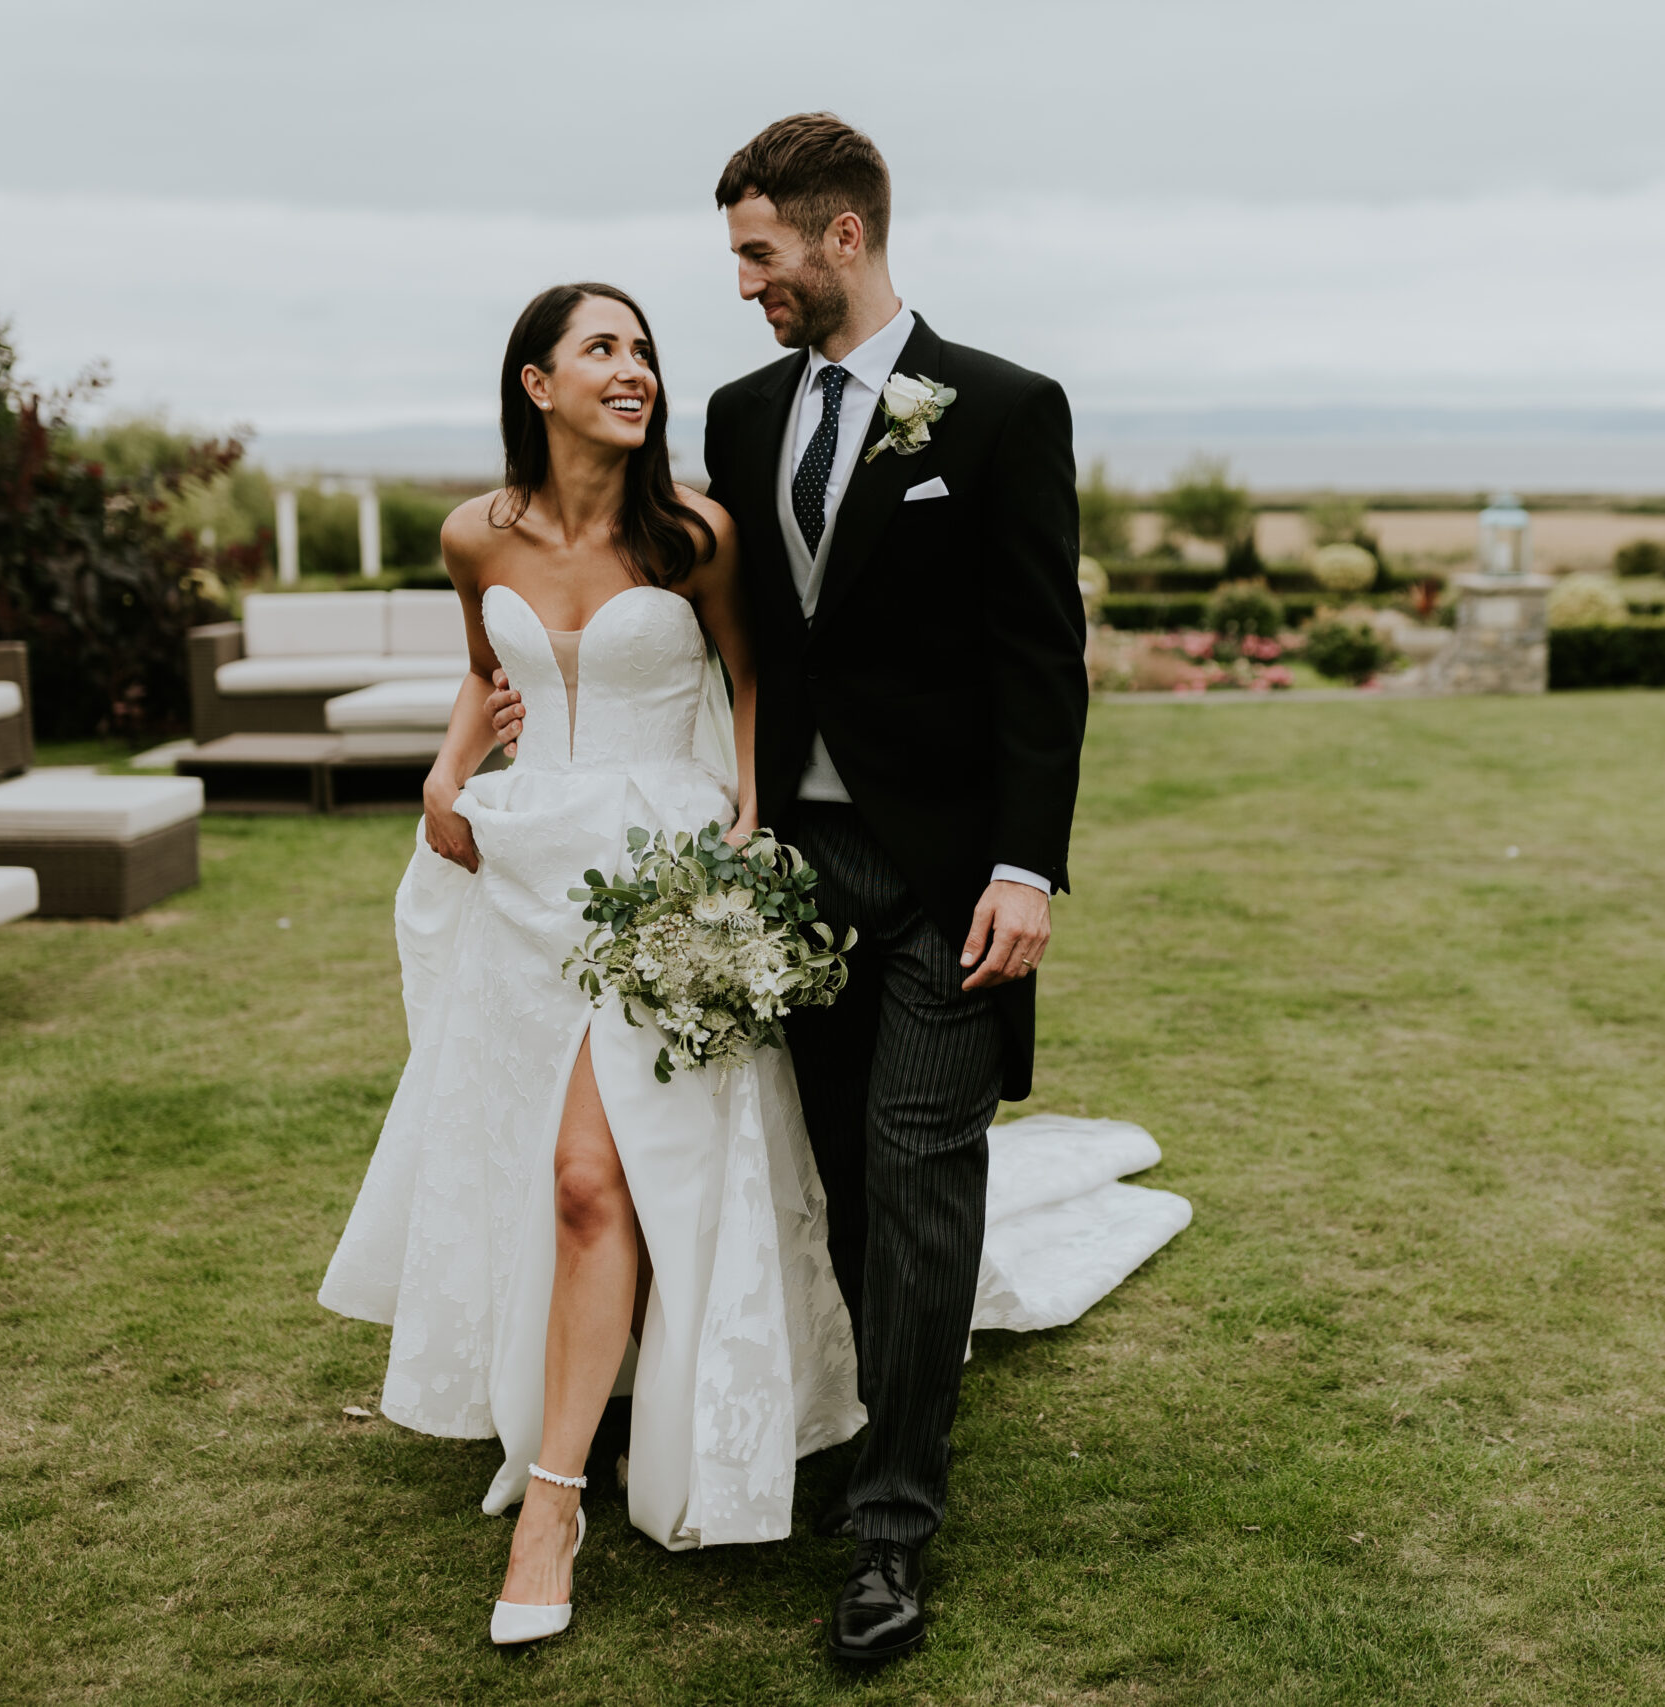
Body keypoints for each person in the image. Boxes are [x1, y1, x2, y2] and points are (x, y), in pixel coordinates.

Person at [486, 112, 1090, 1664]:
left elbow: (1041, 660)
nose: (742, 281)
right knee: (816, 1167)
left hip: (949, 881)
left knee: (915, 1175)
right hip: (788, 887)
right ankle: (826, 1413)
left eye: (760, 251)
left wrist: (1027, 866)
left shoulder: (1006, 412)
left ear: (843, 237)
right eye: (734, 255)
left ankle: (891, 1529)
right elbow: (686, 616)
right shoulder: (745, 422)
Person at [316, 281, 863, 1647]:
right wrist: (444, 781)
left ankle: (554, 1506)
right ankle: (587, 1407)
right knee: (552, 1177)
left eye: (643, 352)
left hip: (659, 883)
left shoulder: (695, 534)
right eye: (602, 350)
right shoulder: (469, 536)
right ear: (534, 383)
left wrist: (745, 834)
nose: (634, 371)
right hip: (520, 881)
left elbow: (747, 683)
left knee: (588, 1178)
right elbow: (485, 675)